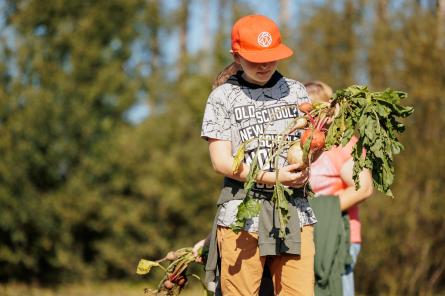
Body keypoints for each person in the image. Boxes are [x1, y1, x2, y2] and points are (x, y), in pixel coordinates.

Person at [198, 15, 317, 296]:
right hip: (242, 213)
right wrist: (273, 177)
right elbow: (221, 162)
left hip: (294, 212)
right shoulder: (221, 98)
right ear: (236, 56)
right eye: (254, 59)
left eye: (271, 57)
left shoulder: (296, 90)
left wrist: (311, 158)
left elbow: (308, 145)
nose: (264, 65)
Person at [305, 81, 374, 296]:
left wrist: (319, 212)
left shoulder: (343, 144)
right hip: (309, 237)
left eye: (319, 108)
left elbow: (363, 187)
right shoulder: (303, 143)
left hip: (339, 237)